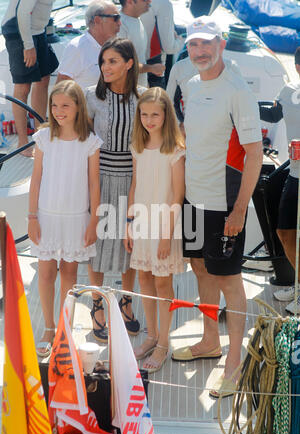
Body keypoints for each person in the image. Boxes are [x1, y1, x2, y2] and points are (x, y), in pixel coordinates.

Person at [171, 16, 263, 397]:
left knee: (229, 280)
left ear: (222, 44)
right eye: (193, 45)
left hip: (224, 204)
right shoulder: (191, 85)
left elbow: (255, 154)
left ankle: (235, 362)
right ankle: (210, 340)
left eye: (207, 44)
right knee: (199, 268)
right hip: (194, 199)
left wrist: (240, 209)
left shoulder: (237, 90)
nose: (200, 51)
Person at [28, 80, 101, 357]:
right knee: (46, 273)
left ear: (78, 107)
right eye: (55, 105)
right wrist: (32, 216)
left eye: (65, 106)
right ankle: (48, 327)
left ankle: (64, 327)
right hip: (46, 216)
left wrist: (94, 221)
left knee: (69, 274)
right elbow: (36, 180)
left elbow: (94, 184)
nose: (59, 111)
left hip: (75, 218)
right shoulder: (44, 137)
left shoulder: (90, 142)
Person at [86, 38, 144, 341]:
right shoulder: (90, 97)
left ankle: (125, 301)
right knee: (97, 243)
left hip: (133, 179)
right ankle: (96, 304)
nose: (106, 67)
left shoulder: (144, 99)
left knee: (128, 245)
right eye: (103, 61)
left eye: (113, 61)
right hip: (98, 176)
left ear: (129, 63)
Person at [124, 87, 186, 373]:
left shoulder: (175, 150)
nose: (149, 120)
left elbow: (177, 196)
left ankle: (163, 342)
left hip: (165, 226)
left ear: (166, 116)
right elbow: (135, 186)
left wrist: (167, 235)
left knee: (163, 285)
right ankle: (150, 336)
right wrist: (128, 224)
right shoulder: (138, 146)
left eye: (155, 114)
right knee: (145, 280)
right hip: (142, 223)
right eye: (144, 114)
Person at [259, 47, 300, 313]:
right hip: (295, 174)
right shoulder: (289, 91)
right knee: (285, 232)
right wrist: (239, 104)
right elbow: (273, 114)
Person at [1, 0, 59, 157]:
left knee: (43, 79)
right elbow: (22, 12)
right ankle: (23, 143)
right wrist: (28, 46)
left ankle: (39, 136)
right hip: (19, 30)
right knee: (23, 86)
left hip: (38, 31)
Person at [56, 0, 121, 91]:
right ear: (97, 20)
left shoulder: (116, 46)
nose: (119, 23)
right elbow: (61, 88)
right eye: (116, 18)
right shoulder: (77, 48)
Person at [118, 0, 165, 87]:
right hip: (126, 90)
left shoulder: (136, 20)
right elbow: (122, 63)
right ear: (129, 2)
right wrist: (151, 68)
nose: (150, 1)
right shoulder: (120, 26)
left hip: (139, 88)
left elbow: (140, 58)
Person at [141, 0, 184, 88]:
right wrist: (181, 40)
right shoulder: (164, 4)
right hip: (155, 68)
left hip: (134, 65)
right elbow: (169, 47)